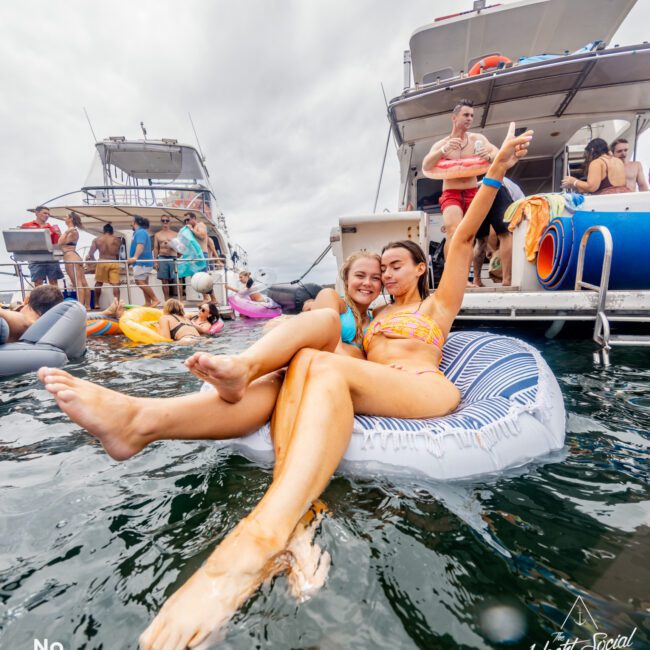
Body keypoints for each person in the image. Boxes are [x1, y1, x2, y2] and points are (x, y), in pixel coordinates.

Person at [38, 123, 533, 650]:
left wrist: (494, 172)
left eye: (394, 266)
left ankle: (265, 529)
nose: (385, 276)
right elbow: (333, 338)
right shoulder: (369, 322)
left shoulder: (438, 305)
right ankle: (143, 422)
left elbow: (460, 239)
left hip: (423, 387)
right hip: (375, 380)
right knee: (307, 360)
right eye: (380, 268)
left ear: (418, 268)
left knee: (320, 364)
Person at [422, 99, 498, 259]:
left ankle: (464, 278)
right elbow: (426, 165)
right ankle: (450, 274)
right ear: (454, 118)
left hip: (471, 192)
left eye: (471, 115)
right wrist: (444, 150)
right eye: (465, 115)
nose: (469, 118)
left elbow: (498, 155)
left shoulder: (477, 140)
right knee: (453, 232)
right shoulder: (442, 144)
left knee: (468, 236)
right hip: (451, 193)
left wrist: (489, 156)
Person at [471, 177, 524, 287]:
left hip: (477, 190)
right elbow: (503, 232)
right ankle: (506, 279)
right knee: (505, 235)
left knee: (480, 241)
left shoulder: (513, 188)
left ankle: (476, 280)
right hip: (497, 188)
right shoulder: (523, 201)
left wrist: (488, 248)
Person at [562, 138, 630, 195]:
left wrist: (574, 181)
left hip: (608, 202)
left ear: (592, 150)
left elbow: (592, 187)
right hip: (625, 198)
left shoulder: (597, 162)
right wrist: (576, 186)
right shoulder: (618, 161)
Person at [20, 206, 64, 287]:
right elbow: (22, 241)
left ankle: (55, 299)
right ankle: (40, 299)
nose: (47, 215)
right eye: (45, 213)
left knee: (53, 282)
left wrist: (60, 235)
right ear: (37, 213)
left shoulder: (52, 228)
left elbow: (57, 244)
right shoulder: (26, 226)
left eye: (48, 214)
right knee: (38, 283)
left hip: (51, 257)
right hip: (35, 257)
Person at [58, 212, 91, 309]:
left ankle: (80, 306)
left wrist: (65, 232)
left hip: (70, 257)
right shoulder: (74, 231)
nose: (64, 218)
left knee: (77, 283)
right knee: (83, 282)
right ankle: (87, 306)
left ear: (71, 219)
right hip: (76, 257)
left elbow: (60, 243)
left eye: (66, 217)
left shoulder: (71, 231)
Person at [86, 224, 123, 306]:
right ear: (112, 231)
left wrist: (95, 263)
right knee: (116, 284)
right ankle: (117, 304)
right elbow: (117, 253)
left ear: (104, 231)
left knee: (99, 283)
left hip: (102, 261)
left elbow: (90, 254)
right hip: (113, 261)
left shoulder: (97, 240)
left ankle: (96, 304)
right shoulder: (118, 240)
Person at [184, 212, 216, 302]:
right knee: (196, 278)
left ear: (194, 218)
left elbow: (202, 236)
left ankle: (209, 298)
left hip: (201, 255)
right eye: (185, 220)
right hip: (195, 256)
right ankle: (210, 298)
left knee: (202, 278)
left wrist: (191, 229)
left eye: (188, 219)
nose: (187, 222)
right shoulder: (194, 228)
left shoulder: (200, 225)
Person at [128, 216, 159, 307]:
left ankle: (155, 299)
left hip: (142, 262)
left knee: (139, 281)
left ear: (135, 222)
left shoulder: (140, 232)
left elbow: (140, 245)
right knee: (144, 282)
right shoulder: (139, 232)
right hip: (142, 262)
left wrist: (135, 257)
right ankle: (148, 302)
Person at [153, 217, 179, 301]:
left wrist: (170, 244)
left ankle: (180, 300)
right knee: (164, 281)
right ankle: (167, 300)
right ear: (161, 222)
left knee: (177, 279)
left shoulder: (175, 234)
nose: (165, 222)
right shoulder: (157, 234)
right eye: (163, 220)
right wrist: (155, 261)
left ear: (170, 222)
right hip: (162, 257)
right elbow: (156, 248)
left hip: (173, 257)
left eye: (167, 220)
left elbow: (179, 248)